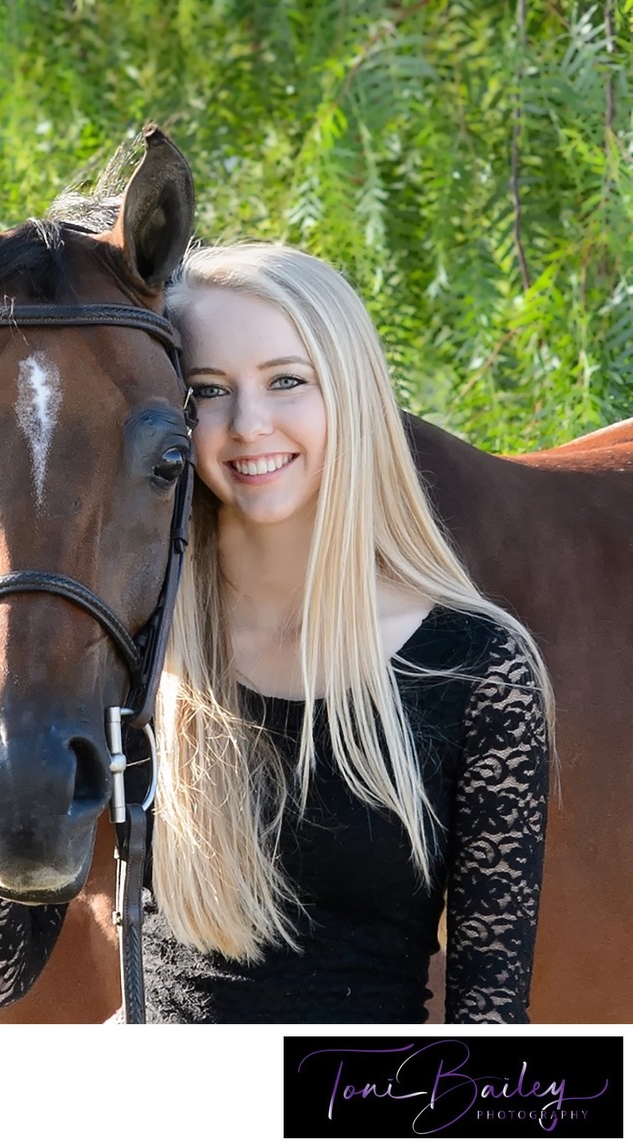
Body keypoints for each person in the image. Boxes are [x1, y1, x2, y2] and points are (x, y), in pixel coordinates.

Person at [140, 241, 551, 1024]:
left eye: (287, 381)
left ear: (352, 396)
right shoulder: (143, 644)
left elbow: (490, 1019)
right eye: (208, 391)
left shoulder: (480, 668)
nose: (248, 424)